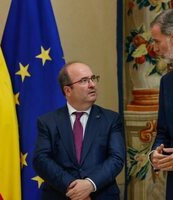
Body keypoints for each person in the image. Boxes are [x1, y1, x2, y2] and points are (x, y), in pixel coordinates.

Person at [33, 61, 125, 200]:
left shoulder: (111, 119)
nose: (92, 84)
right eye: (84, 81)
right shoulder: (48, 122)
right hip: (61, 194)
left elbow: (116, 158)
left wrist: (90, 184)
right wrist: (73, 187)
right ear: (68, 90)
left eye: (93, 78)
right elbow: (41, 159)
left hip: (101, 194)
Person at [150, 9, 173, 200]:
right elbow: (163, 131)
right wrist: (155, 153)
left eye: (157, 41)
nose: (155, 48)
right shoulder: (167, 82)